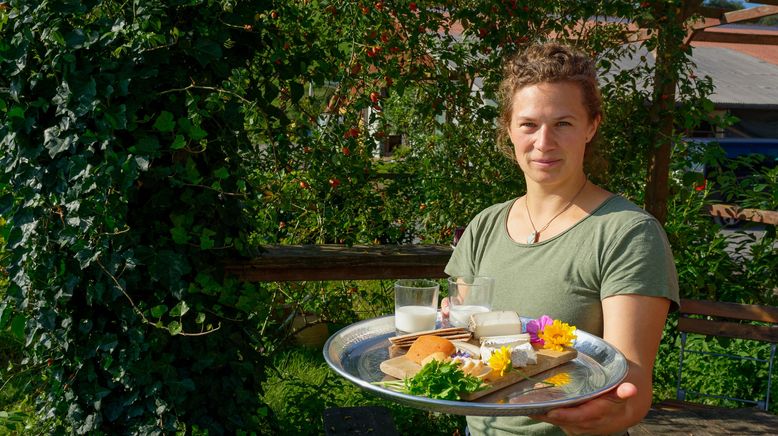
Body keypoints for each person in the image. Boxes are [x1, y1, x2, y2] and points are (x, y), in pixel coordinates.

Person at [443, 42, 680, 435]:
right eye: (529, 124)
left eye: (563, 124)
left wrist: (597, 417)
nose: (544, 142)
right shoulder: (485, 225)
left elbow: (633, 390)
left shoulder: (626, 233)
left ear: (592, 126)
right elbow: (466, 340)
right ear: (509, 128)